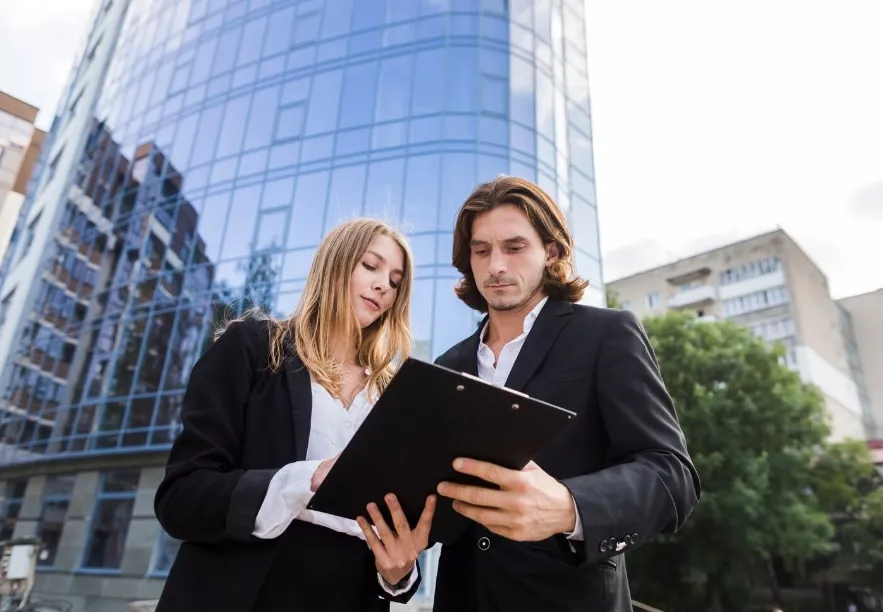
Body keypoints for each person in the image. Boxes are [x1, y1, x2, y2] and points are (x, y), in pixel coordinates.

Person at [431, 176, 701, 612]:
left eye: (514, 248)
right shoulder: (446, 366)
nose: (496, 265)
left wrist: (570, 506)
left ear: (551, 251)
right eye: (482, 251)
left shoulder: (608, 334)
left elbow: (671, 474)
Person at [153, 218, 435, 612]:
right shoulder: (252, 347)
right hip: (246, 591)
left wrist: (399, 571)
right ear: (335, 264)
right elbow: (180, 499)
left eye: (395, 279)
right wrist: (310, 478)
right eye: (370, 266)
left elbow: (393, 538)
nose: (383, 285)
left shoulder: (394, 394)